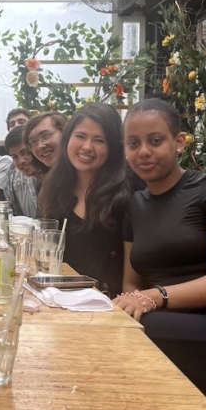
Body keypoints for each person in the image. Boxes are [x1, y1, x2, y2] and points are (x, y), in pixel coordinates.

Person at [114, 98, 206, 392]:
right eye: (133, 143)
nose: (143, 151)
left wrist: (155, 297)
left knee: (138, 331)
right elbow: (130, 286)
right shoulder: (134, 206)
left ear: (179, 142)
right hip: (165, 324)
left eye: (155, 140)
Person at [39, 103, 130, 296]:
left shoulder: (125, 194)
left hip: (108, 303)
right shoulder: (54, 188)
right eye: (80, 136)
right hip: (59, 296)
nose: (87, 147)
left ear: (113, 147)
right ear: (67, 139)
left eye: (99, 140)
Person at [3, 126, 41, 218]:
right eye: (14, 157)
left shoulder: (53, 178)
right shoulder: (11, 173)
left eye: (25, 153)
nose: (21, 161)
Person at [23, 111, 68, 176]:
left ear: (65, 132)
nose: (40, 146)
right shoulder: (51, 183)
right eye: (33, 142)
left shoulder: (84, 176)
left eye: (46, 136)